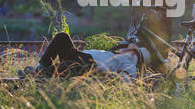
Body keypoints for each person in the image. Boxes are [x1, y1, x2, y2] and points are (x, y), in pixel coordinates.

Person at [19, 32, 152, 81]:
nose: (125, 49)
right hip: (82, 56)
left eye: (130, 50)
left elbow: (126, 80)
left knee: (71, 65)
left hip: (91, 66)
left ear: (135, 54)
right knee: (62, 37)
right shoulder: (114, 54)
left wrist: (109, 75)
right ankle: (41, 67)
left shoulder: (130, 64)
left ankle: (39, 73)